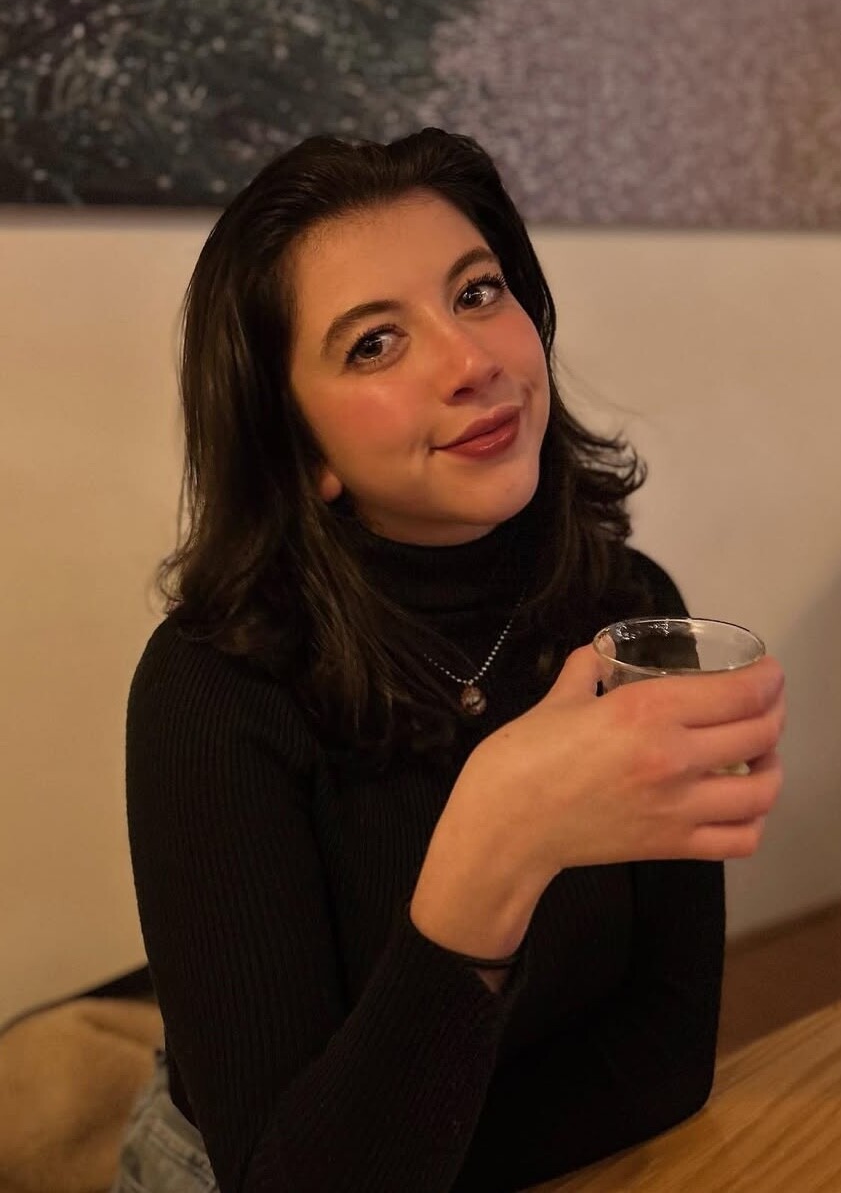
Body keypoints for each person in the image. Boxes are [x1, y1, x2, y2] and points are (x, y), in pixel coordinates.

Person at [112, 128, 785, 1193]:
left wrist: (409, 1151)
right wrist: (497, 845)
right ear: (302, 449)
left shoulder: (628, 614)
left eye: (476, 293)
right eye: (373, 344)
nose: (473, 363)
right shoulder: (212, 691)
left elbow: (666, 1057)